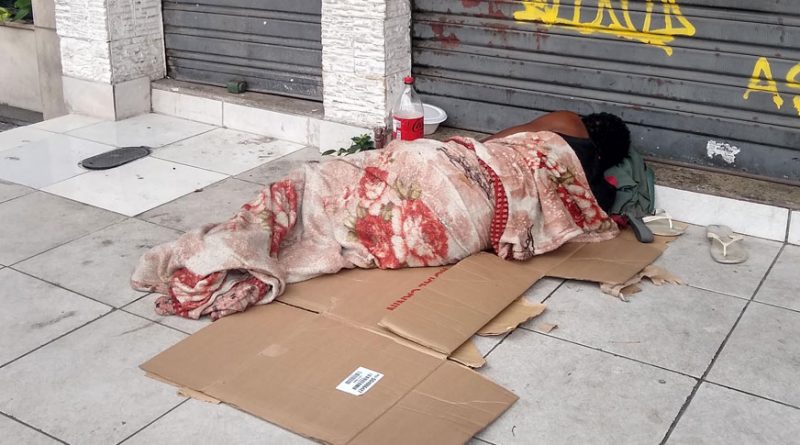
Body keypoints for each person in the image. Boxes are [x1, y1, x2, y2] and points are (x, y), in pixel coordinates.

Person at [132, 112, 623, 320]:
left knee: (318, 186)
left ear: (590, 124)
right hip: (463, 227)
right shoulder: (594, 192)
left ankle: (232, 248)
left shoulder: (563, 124)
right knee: (354, 237)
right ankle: (247, 263)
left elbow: (489, 144)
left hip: (441, 167)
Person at [483, 111, 630, 213]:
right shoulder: (598, 196)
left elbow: (495, 142)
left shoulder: (568, 122)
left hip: (488, 167)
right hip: (500, 204)